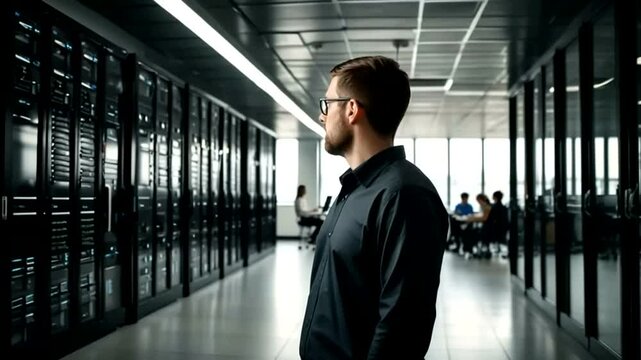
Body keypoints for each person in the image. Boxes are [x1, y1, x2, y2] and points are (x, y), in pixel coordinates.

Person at [299, 56, 449, 359]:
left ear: (352, 109)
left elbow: (404, 325)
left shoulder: (404, 196)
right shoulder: (354, 189)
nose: (321, 116)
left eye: (327, 104)